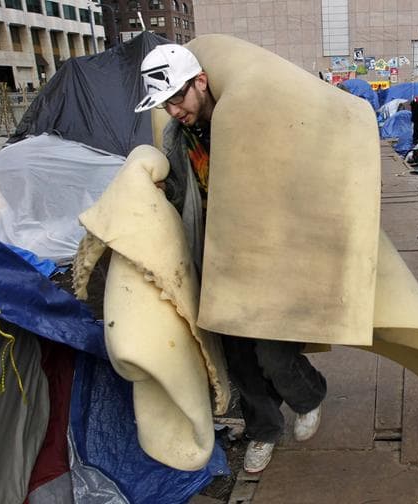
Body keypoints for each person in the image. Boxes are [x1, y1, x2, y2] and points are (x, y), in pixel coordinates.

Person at [134, 44, 327, 474]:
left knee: (274, 354)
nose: (173, 110)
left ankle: (308, 394)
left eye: (177, 98)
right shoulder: (174, 137)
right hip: (218, 262)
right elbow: (186, 194)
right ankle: (264, 429)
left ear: (200, 81)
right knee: (239, 359)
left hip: (268, 255)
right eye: (165, 103)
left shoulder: (242, 117)